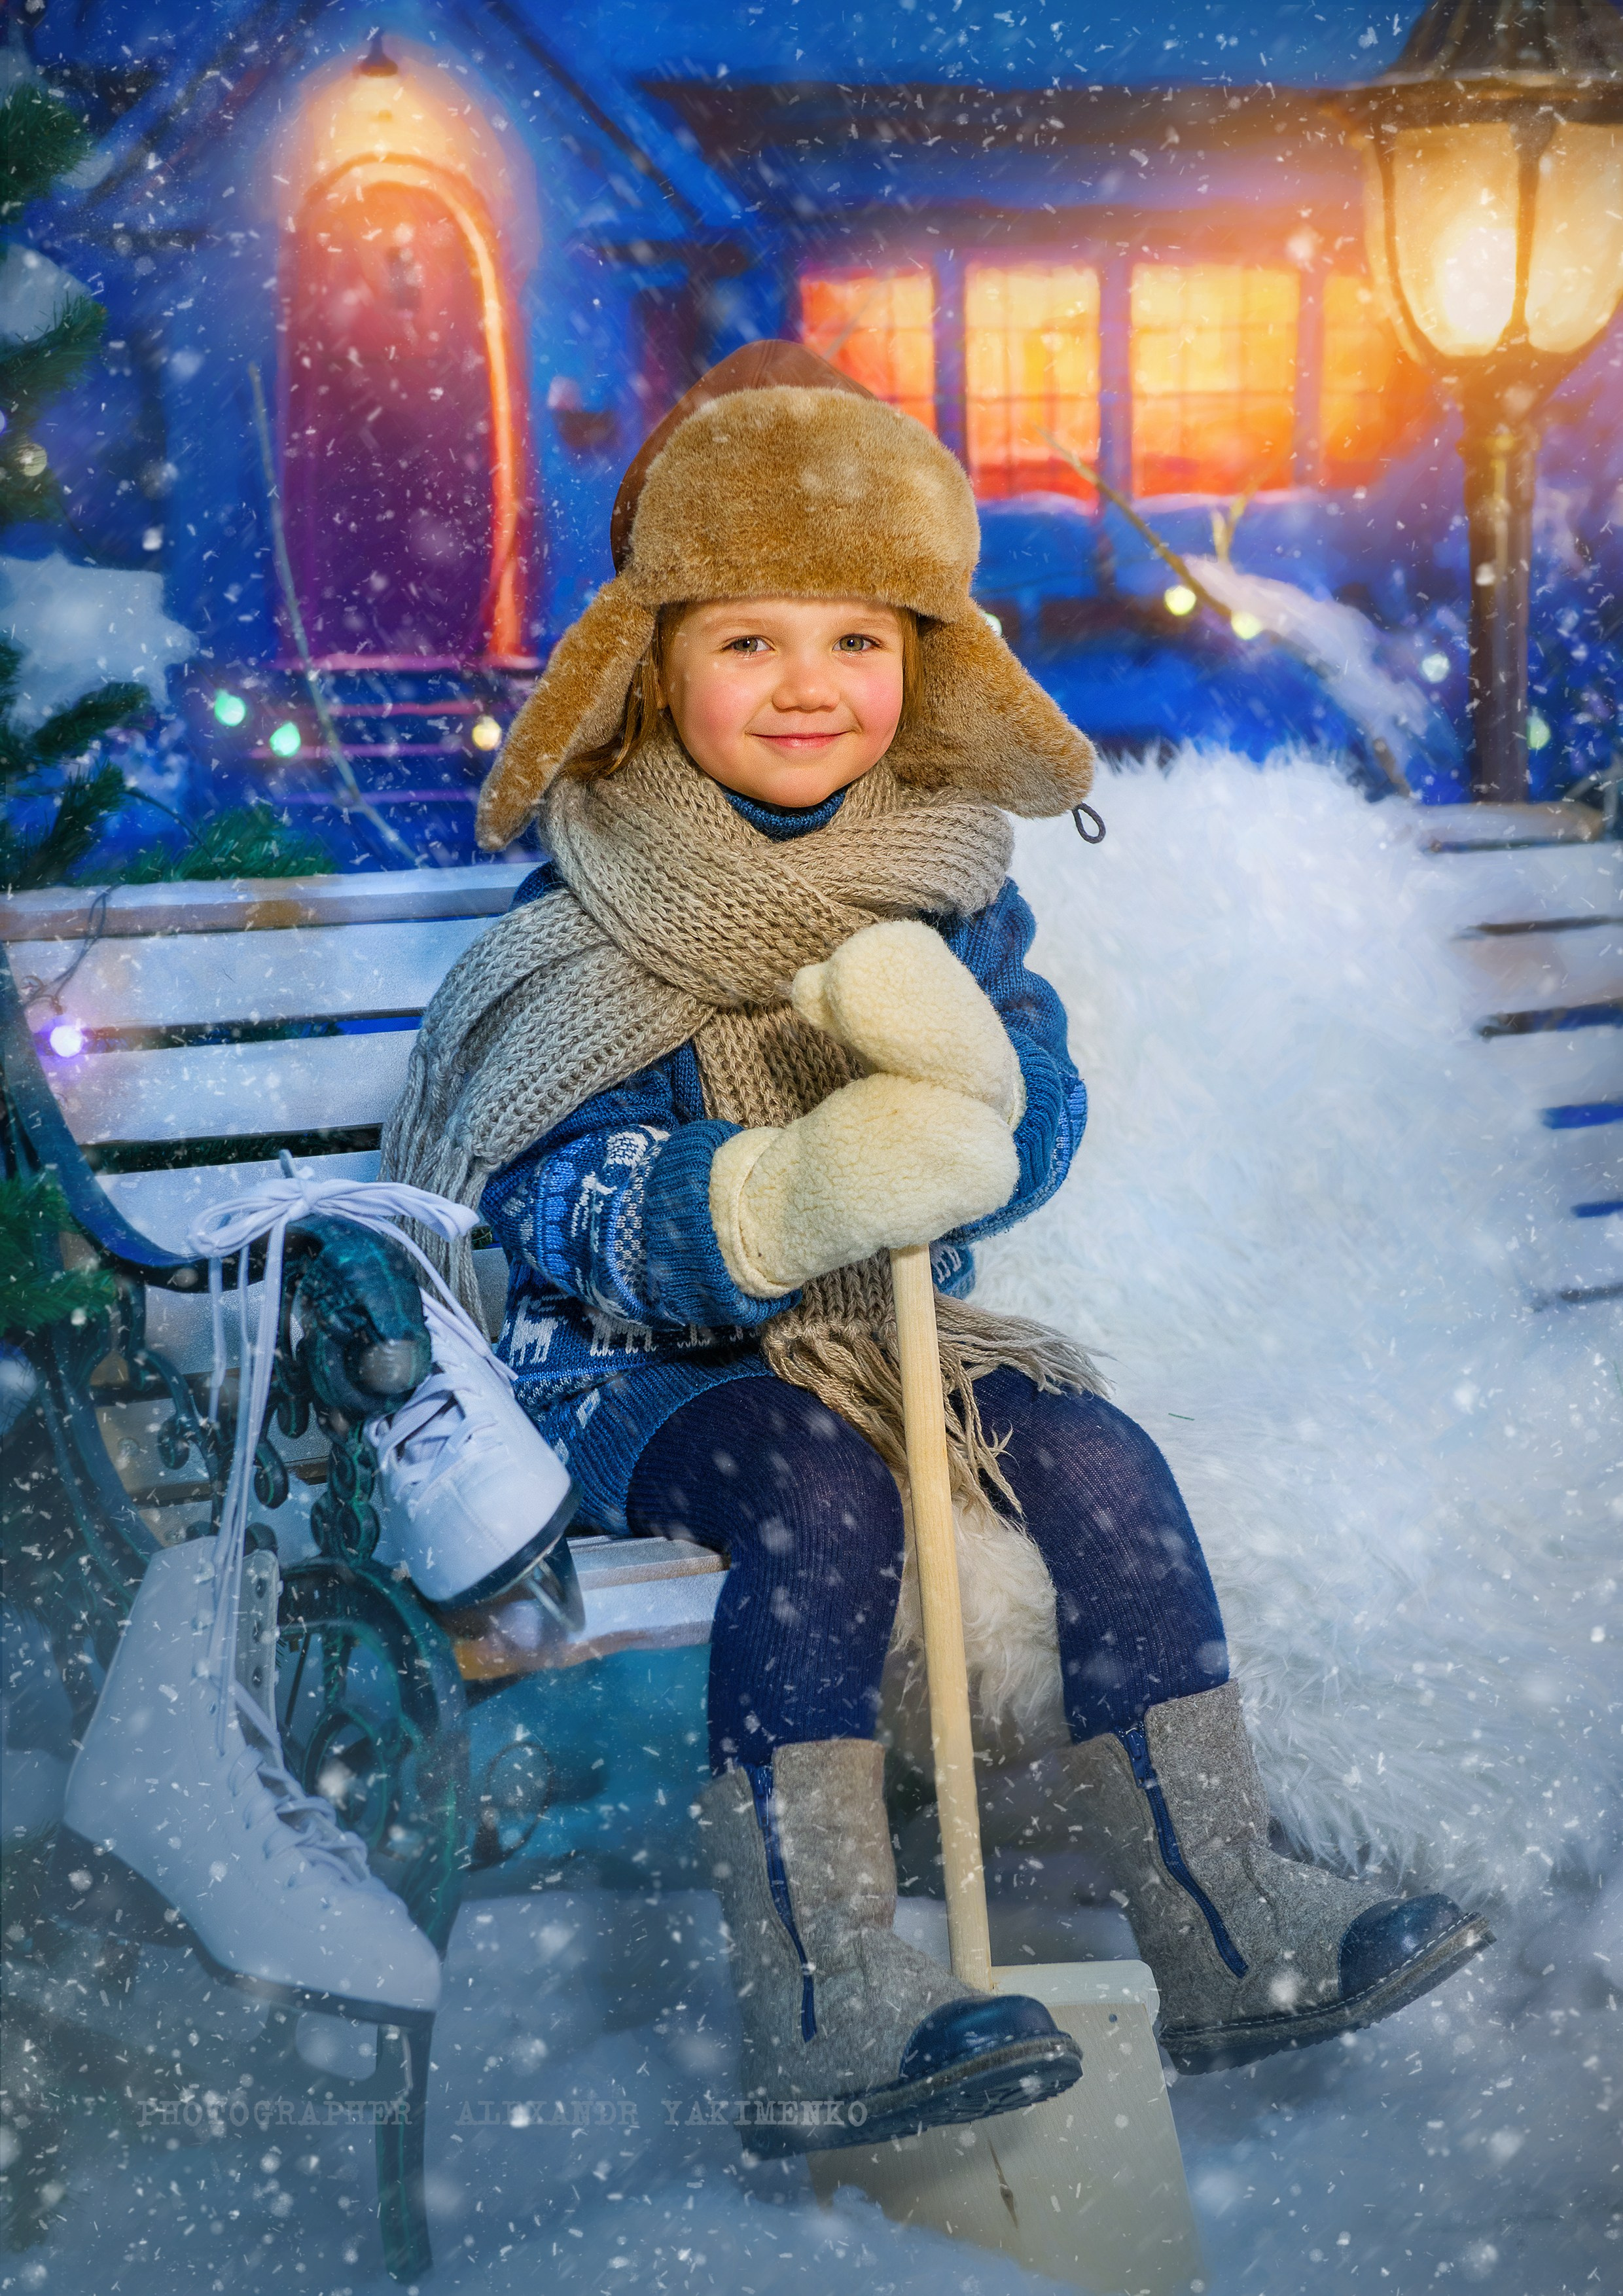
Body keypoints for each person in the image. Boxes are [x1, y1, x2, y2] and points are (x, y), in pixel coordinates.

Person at [380, 340, 1491, 2138]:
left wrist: (972, 1096)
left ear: (924, 659)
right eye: (750, 639)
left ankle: (1225, 1917)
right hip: (632, 1379)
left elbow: (1033, 1114)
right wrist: (784, 1193)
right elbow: (549, 1204)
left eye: (859, 640)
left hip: (880, 1334)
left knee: (1101, 1460)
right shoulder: (595, 896)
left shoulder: (950, 873)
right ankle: (827, 1989)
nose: (809, 686)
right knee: (821, 1491)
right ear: (653, 666)